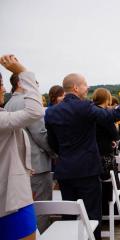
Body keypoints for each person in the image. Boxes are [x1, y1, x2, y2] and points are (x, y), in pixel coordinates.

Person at [45, 73, 120, 239]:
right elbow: (114, 115)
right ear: (76, 87)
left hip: (65, 171)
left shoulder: (51, 112)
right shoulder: (85, 107)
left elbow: (52, 143)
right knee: (92, 215)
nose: (88, 87)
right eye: (85, 84)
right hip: (87, 171)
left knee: (69, 215)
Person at [5, 71, 56, 233]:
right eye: (34, 83)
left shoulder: (7, 105)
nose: (37, 87)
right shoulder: (27, 103)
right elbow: (41, 134)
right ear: (21, 83)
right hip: (38, 166)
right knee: (42, 210)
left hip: (19, 167)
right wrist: (55, 153)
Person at [0, 55, 43, 240]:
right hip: (11, 200)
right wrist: (23, 72)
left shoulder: (6, 110)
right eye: (0, 84)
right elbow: (35, 112)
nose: (3, 89)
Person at [92, 88, 120, 219]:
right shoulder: (105, 114)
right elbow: (115, 135)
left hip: (93, 154)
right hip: (105, 154)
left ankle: (98, 214)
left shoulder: (90, 111)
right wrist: (114, 137)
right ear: (107, 99)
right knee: (110, 185)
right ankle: (112, 214)